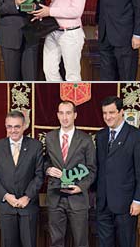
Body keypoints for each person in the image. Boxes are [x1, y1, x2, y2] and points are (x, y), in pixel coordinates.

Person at [96, 96, 140, 247]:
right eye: (105, 113)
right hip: (103, 204)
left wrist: (138, 200)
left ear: (122, 112)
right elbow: (99, 168)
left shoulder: (137, 136)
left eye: (112, 112)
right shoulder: (100, 136)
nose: (108, 117)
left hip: (126, 205)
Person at [0, 110, 44, 247]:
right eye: (9, 126)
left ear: (24, 126)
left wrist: (27, 196)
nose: (13, 130)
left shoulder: (35, 146)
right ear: (5, 126)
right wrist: (6, 196)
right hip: (7, 207)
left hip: (28, 206)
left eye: (17, 126)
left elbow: (39, 175)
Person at [45, 100, 96, 247]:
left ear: (75, 115)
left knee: (81, 241)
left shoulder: (86, 139)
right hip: (55, 196)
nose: (64, 117)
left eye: (68, 113)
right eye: (61, 113)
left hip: (78, 197)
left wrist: (81, 187)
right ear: (57, 115)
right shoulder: (49, 137)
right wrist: (47, 169)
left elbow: (92, 169)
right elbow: (44, 162)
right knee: (56, 241)